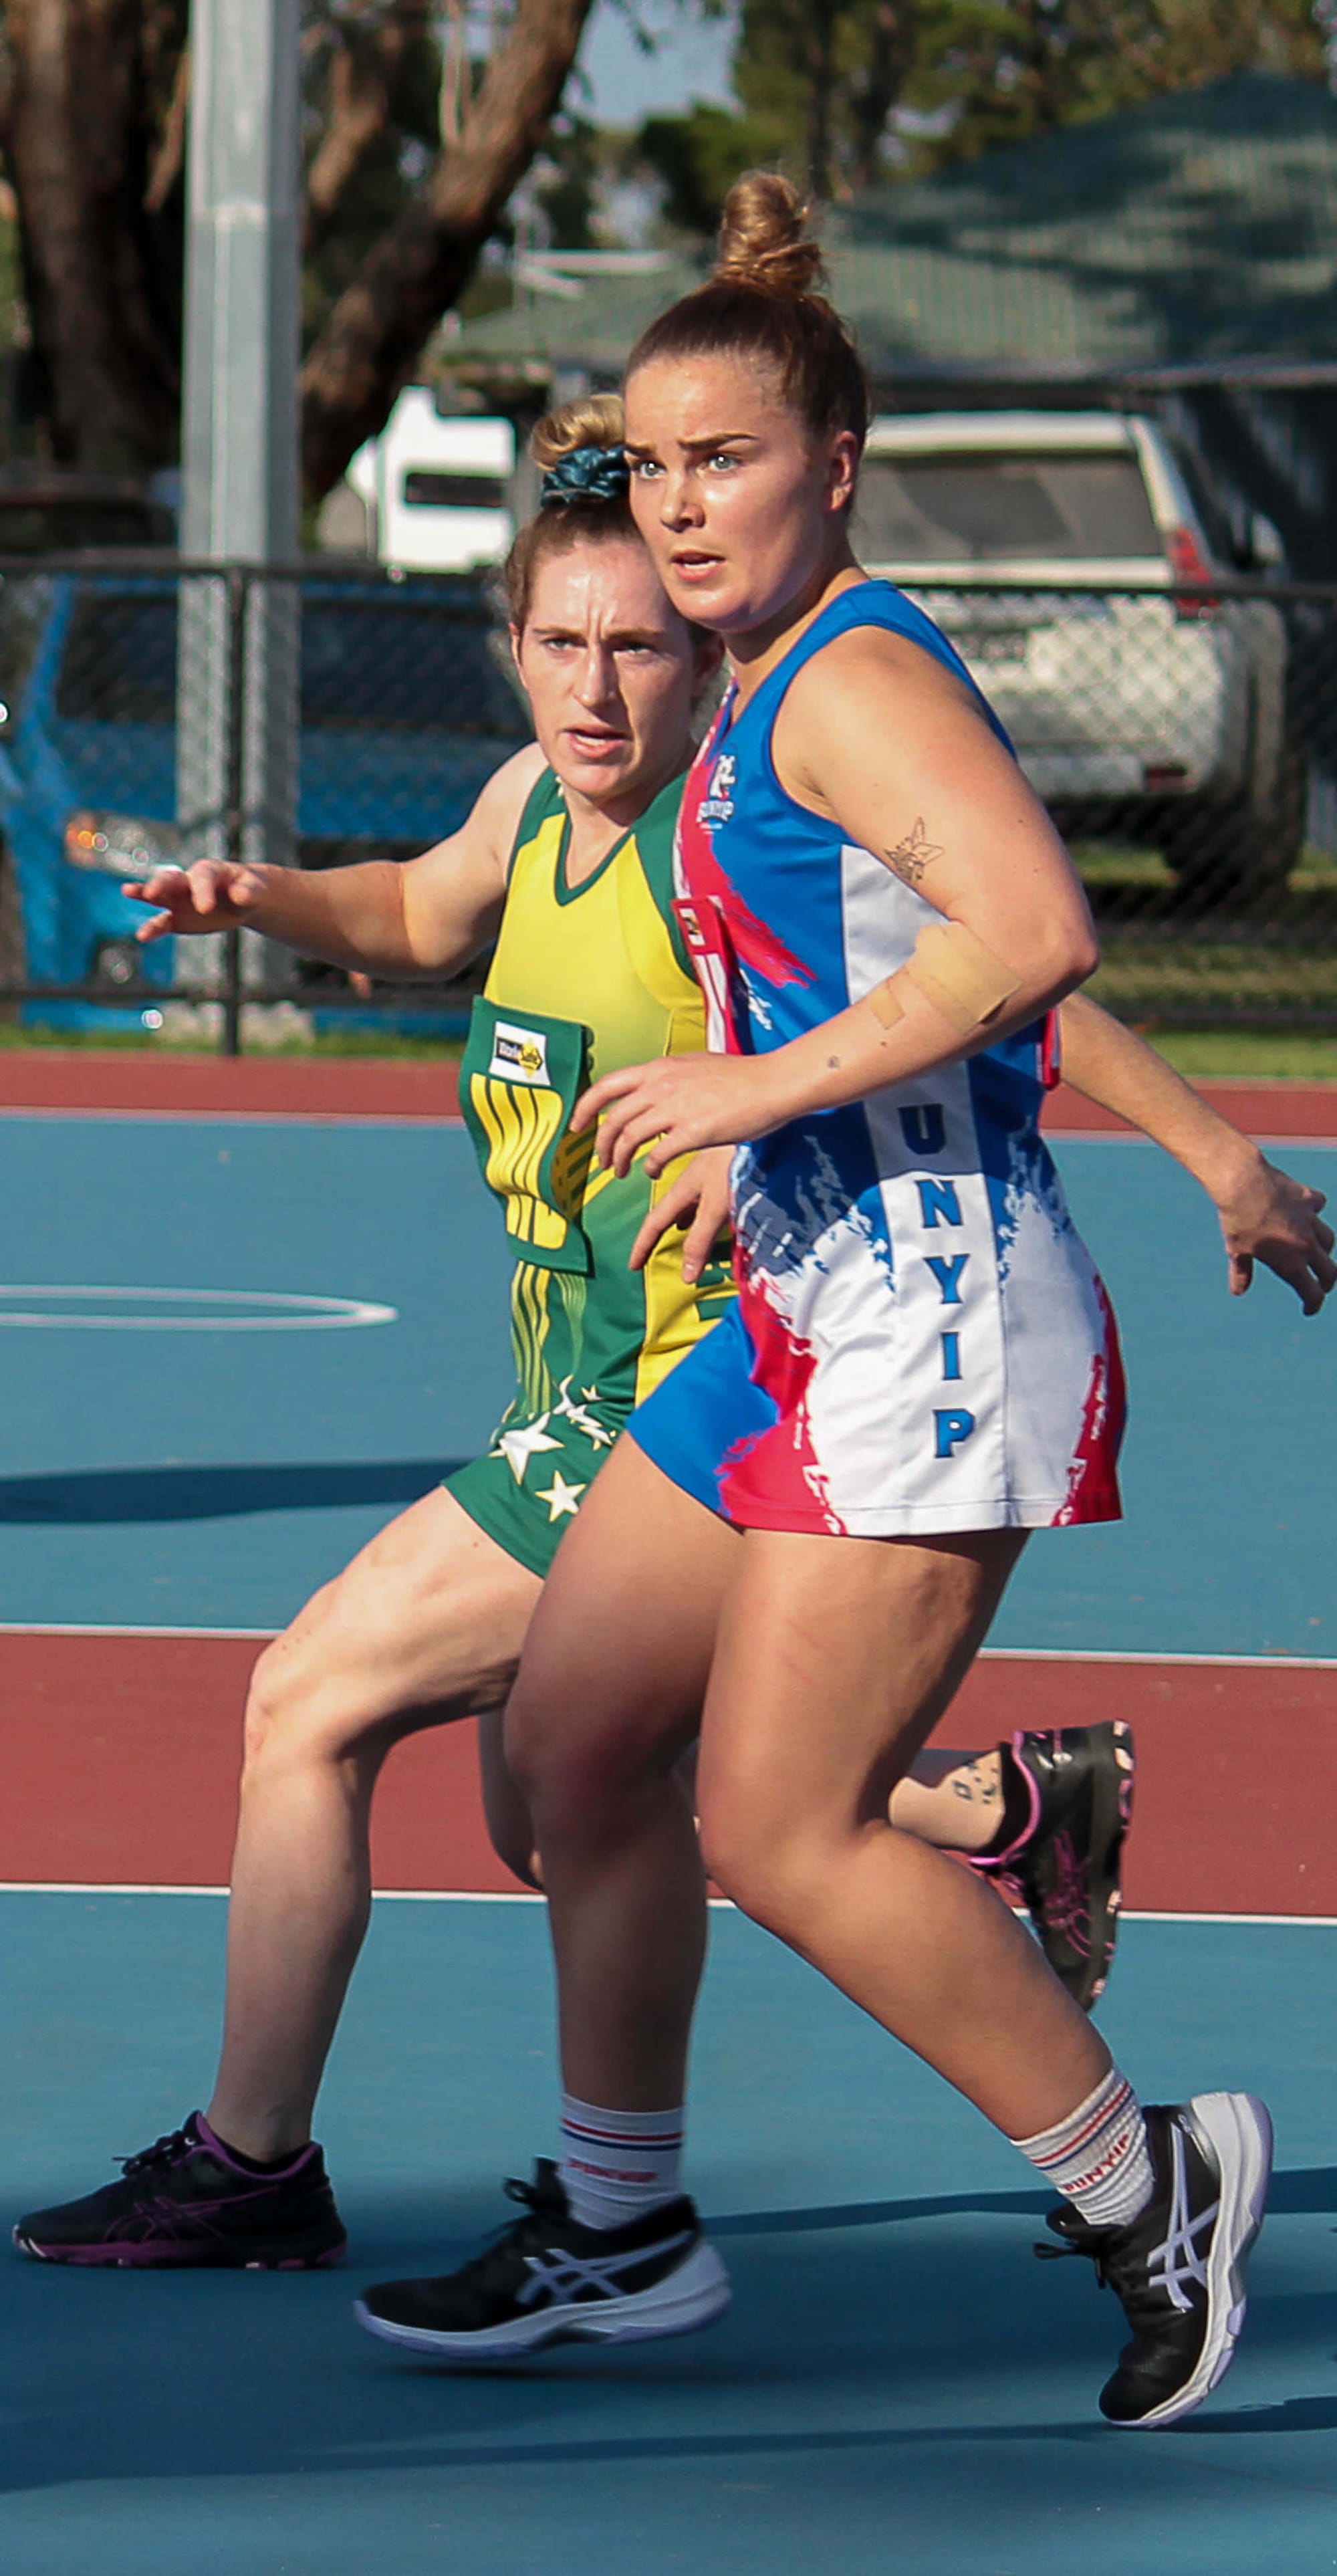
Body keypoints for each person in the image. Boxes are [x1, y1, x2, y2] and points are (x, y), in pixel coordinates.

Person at [15, 400, 1328, 2278]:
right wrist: (260, 898)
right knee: (563, 1803)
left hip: (695, 1383)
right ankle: (974, 1832)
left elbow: (1014, 986)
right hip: (577, 1387)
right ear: (512, 646)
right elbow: (417, 913)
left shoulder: (725, 838)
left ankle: (269, 2160)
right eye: (561, 641)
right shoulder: (529, 809)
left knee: (317, 1701)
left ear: (702, 653)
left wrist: (1212, 1153)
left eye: (637, 643)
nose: (596, 683)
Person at [353, 183, 1297, 2432]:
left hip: (936, 1332)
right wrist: (755, 1147)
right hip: (800, 1296)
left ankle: (1148, 2186)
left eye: (729, 460)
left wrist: (755, 1095)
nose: (683, 504)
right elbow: (901, 973)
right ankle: (621, 2230)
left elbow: (1037, 936)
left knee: (779, 1828)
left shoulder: (851, 679)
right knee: (570, 1743)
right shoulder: (762, 684)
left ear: (836, 466)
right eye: (656, 463)